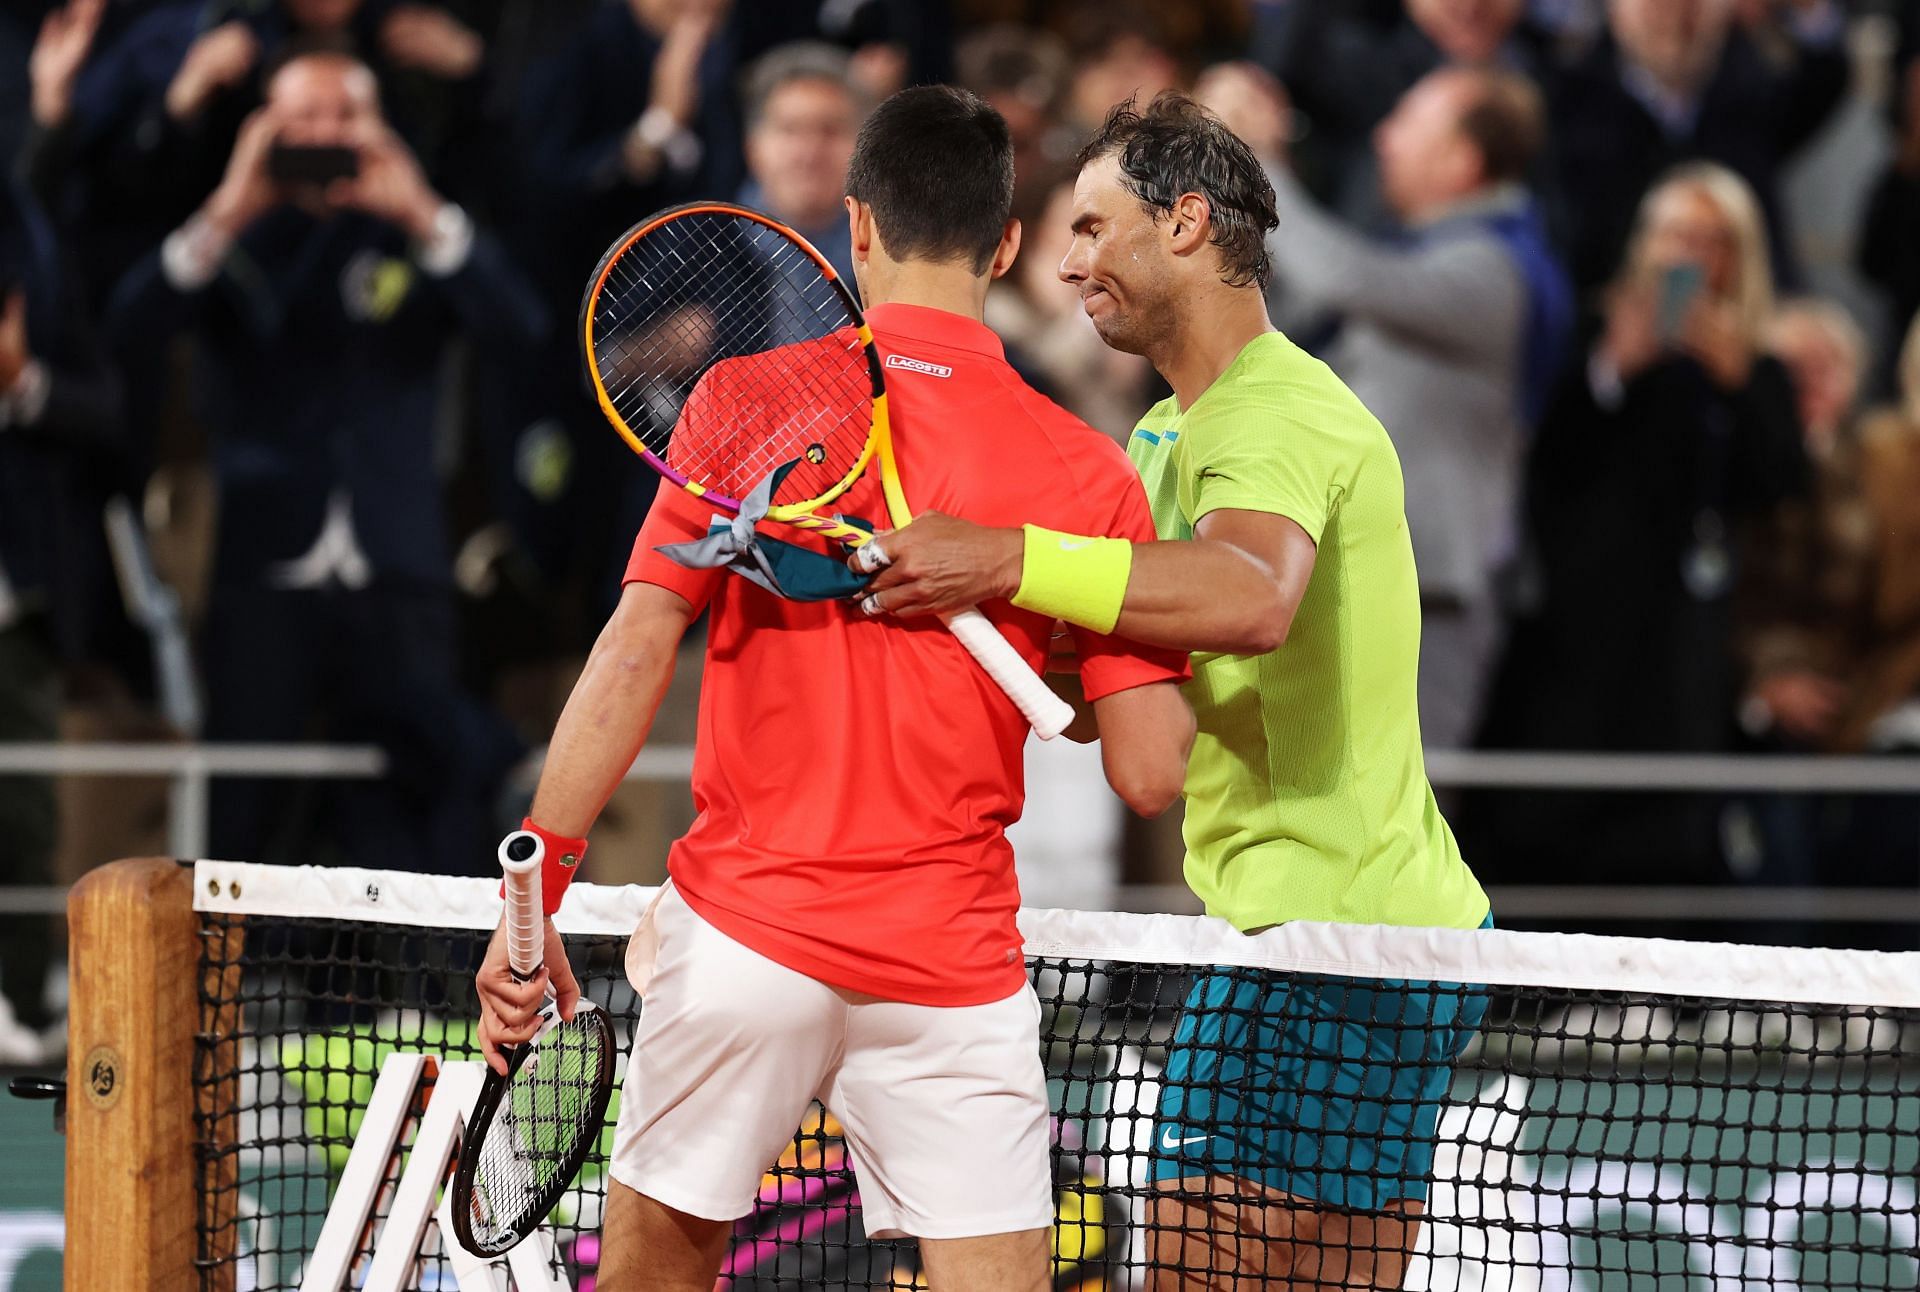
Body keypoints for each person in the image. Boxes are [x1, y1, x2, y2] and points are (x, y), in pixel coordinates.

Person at [474, 86, 1195, 1292]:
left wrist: (537, 885)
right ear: (1007, 244)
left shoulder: (748, 403)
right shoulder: (1089, 468)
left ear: (856, 227)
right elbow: (1153, 767)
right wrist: (1075, 629)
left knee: (651, 1277)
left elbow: (636, 647)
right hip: (952, 967)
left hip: (748, 939)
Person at [856, 92, 1492, 1291]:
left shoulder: (1276, 410)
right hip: (1384, 937)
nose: (1068, 259)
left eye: (1095, 226)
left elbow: (1251, 592)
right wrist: (936, 631)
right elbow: (1132, 683)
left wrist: (1003, 555)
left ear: (1187, 222)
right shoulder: (1164, 433)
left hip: (1318, 944)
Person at [105, 46, 544, 878]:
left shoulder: (412, 229)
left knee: (418, 788)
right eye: (301, 115)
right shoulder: (242, 237)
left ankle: (418, 994)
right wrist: (226, 211)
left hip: (397, 570)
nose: (324, 132)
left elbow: (520, 330)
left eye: (345, 113)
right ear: (261, 128)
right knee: (243, 800)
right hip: (263, 570)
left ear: (381, 127)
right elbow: (130, 329)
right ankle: (231, 995)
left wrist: (421, 210)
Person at [1203, 59, 1574, 752]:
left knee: (1410, 809)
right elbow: (1289, 304)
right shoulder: (1420, 258)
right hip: (1364, 574)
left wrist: (1257, 163)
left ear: (1463, 161)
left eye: (1408, 123)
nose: (1383, 140)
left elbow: (1343, 278)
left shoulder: (1495, 271)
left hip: (1435, 590)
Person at [1478, 163, 1807, 892]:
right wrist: (1613, 371)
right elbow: (1541, 461)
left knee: (1666, 818)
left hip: (1687, 633)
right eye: (1675, 235)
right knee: (1554, 807)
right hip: (1578, 621)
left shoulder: (1760, 369)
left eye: (1710, 239)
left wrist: (1739, 384)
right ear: (1644, 243)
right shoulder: (1590, 332)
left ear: (1738, 255)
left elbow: (1780, 486)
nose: (1690, 255)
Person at [1545, 0, 1848, 289]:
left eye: (1691, 9)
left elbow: (1823, 77)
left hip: (1750, 314)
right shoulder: (1569, 105)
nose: (1674, 21)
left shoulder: (1751, 94)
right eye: (1656, 8)